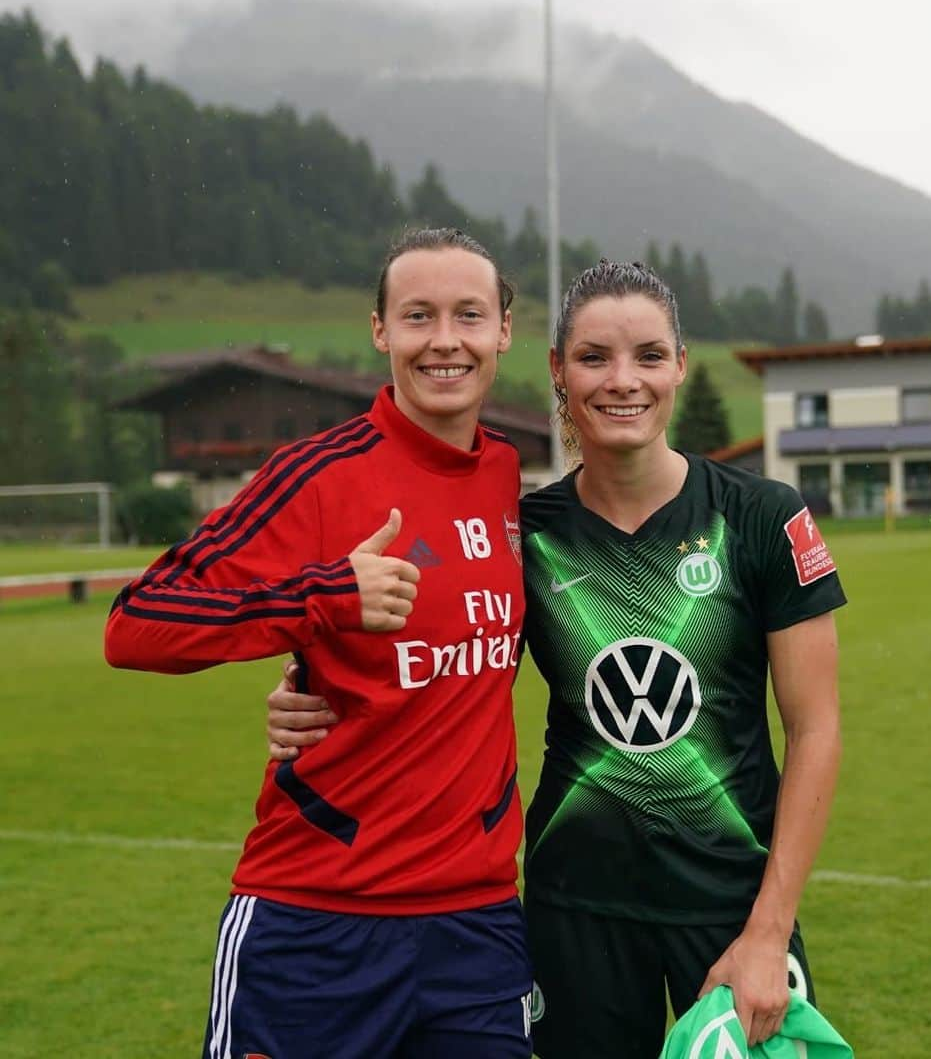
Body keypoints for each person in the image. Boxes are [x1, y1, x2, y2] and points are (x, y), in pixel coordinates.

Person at [269, 260, 846, 1059]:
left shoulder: (761, 518)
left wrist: (768, 929)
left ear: (681, 364)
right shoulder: (523, 530)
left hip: (733, 907)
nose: (623, 382)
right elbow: (443, 659)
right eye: (594, 358)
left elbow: (816, 732)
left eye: (648, 356)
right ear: (558, 372)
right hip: (574, 910)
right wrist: (308, 687)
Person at [105, 228, 534, 1059]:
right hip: (317, 921)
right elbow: (137, 621)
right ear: (381, 331)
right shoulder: (321, 475)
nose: (444, 340)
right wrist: (321, 598)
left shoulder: (509, 475)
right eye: (418, 316)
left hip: (478, 930)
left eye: (468, 315)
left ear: (504, 330)